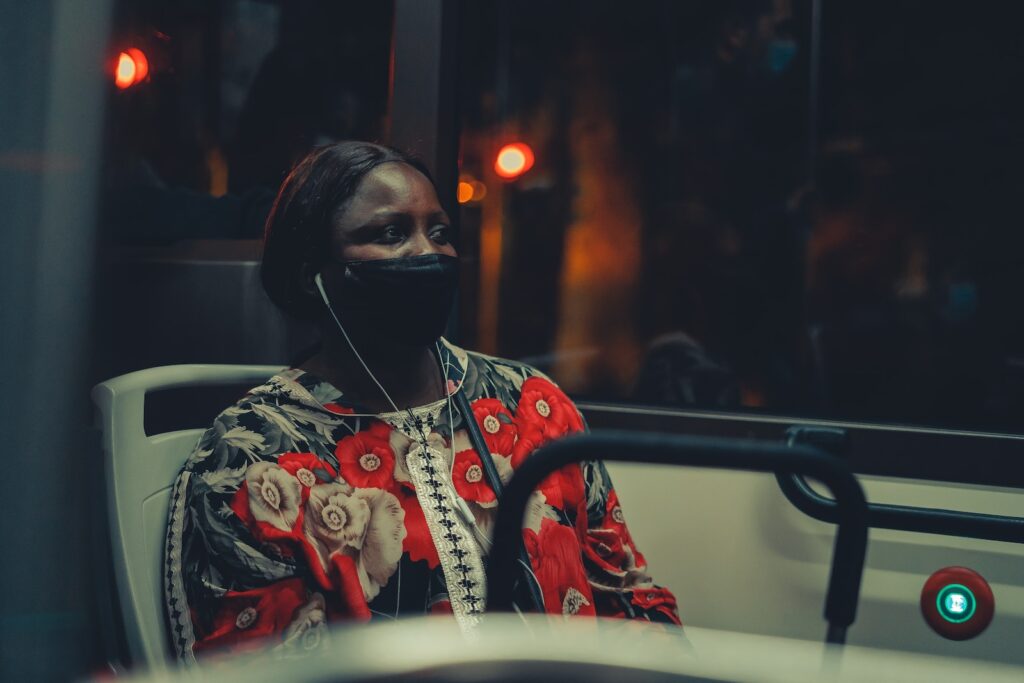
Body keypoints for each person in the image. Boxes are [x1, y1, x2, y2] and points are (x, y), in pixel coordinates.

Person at [163, 141, 680, 662]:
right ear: (311, 275)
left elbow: (627, 595)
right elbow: (260, 668)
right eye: (391, 234)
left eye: (439, 232)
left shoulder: (530, 404)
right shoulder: (255, 457)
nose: (428, 253)